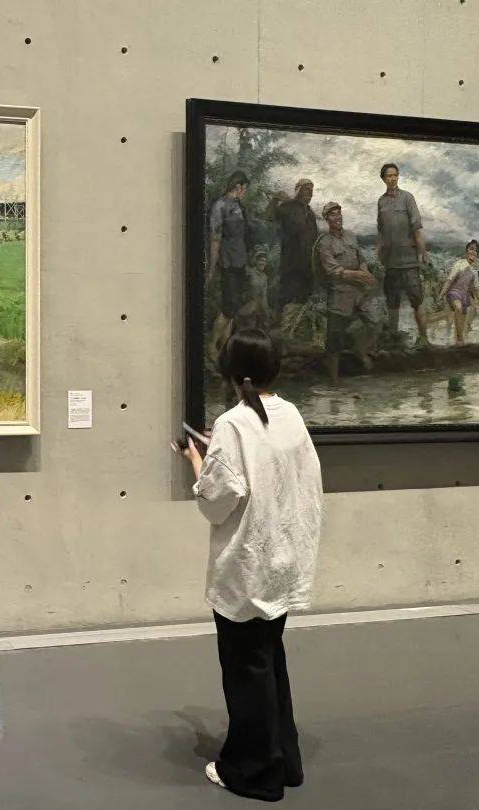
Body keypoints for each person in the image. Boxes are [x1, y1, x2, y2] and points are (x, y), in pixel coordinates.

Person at [175, 329, 323, 803]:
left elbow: (217, 501)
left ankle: (256, 772)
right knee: (269, 661)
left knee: (246, 672)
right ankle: (286, 760)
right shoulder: (291, 414)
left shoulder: (233, 423)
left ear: (232, 373)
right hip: (284, 559)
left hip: (247, 567)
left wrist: (195, 460)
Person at [314, 202, 382, 383]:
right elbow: (333, 271)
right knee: (334, 339)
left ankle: (361, 349)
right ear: (327, 219)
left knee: (375, 321)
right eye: (333, 214)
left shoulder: (351, 236)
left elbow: (361, 259)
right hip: (339, 293)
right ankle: (334, 381)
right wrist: (359, 275)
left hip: (359, 291)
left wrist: (364, 272)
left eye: (339, 213)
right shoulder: (324, 243)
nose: (337, 217)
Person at [377, 163, 429, 347]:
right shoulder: (381, 202)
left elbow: (416, 229)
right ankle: (393, 341)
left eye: (395, 175)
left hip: (409, 262)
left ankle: (424, 338)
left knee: (417, 301)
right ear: (383, 179)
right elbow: (381, 232)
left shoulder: (407, 198)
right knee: (392, 303)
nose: (393, 179)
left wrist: (423, 253)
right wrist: (380, 255)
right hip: (391, 263)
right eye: (389, 176)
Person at [208, 171, 251, 362]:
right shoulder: (220, 205)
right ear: (238, 186)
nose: (244, 192)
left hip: (240, 261)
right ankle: (212, 345)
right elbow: (215, 238)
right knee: (228, 307)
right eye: (244, 189)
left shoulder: (239, 206)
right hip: (228, 262)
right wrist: (212, 267)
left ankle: (225, 346)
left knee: (233, 308)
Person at [268, 178, 318, 318]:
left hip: (307, 265)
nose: (310, 192)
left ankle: (298, 325)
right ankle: (279, 321)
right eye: (306, 189)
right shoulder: (287, 207)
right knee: (286, 296)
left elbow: (314, 238)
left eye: (311, 190)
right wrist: (275, 199)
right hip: (291, 262)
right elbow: (269, 216)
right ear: (298, 191)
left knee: (304, 299)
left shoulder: (310, 214)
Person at [439, 240, 479, 346]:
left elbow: (475, 289)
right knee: (458, 307)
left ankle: (458, 342)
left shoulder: (474, 271)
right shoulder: (460, 264)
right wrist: (441, 294)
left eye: (476, 250)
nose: (473, 252)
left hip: (464, 297)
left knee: (461, 323)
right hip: (454, 293)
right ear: (466, 251)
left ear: (477, 254)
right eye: (471, 249)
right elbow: (449, 280)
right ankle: (460, 339)